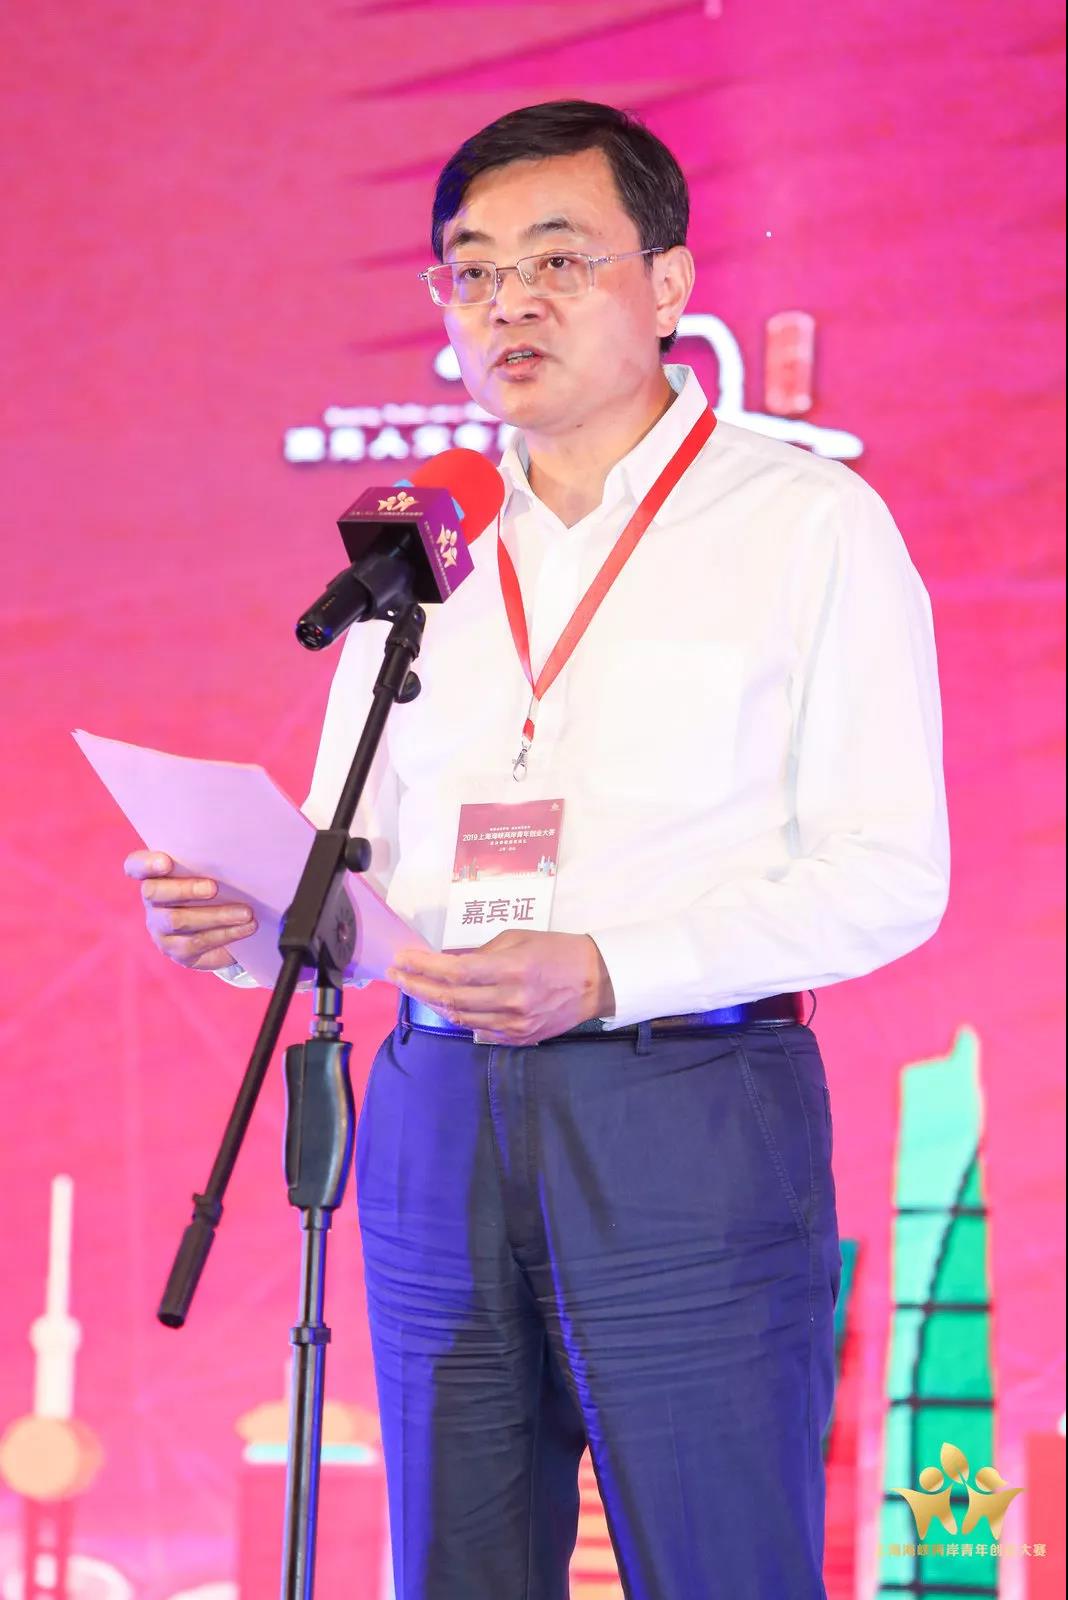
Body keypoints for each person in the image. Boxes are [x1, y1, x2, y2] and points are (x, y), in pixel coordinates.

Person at [125, 101, 949, 1599]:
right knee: (461, 1568)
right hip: (435, 1111)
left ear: (670, 283)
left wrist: (613, 968)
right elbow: (354, 861)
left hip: (686, 1105)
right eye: (474, 269)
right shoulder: (422, 547)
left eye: (559, 260)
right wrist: (243, 918)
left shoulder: (805, 524)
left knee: (721, 1564)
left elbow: (891, 872)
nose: (510, 301)